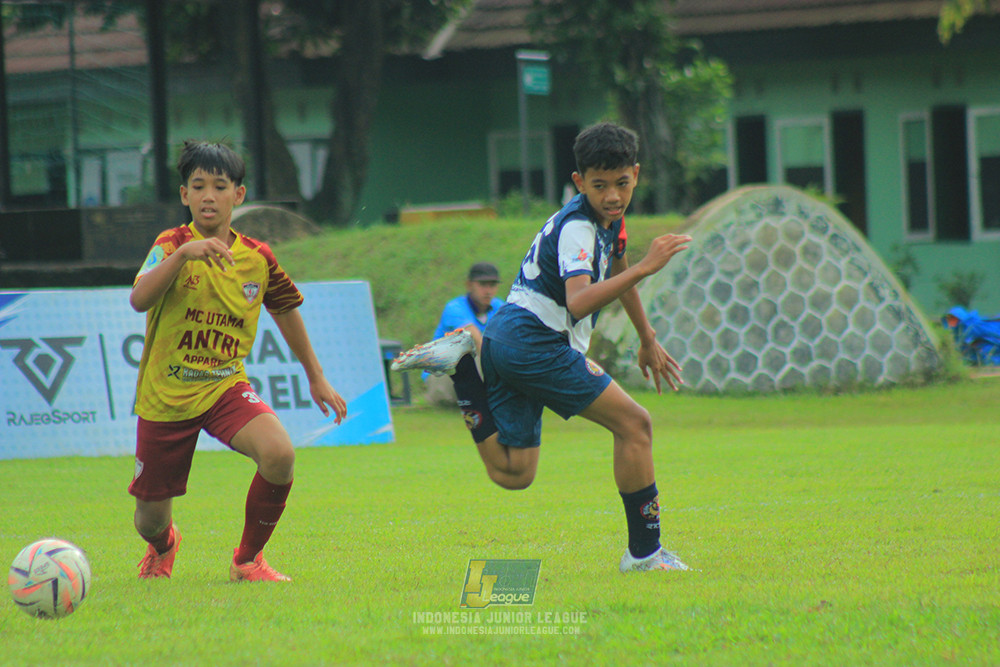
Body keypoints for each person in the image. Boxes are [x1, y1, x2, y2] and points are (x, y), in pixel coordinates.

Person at [392, 122, 693, 573]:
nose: (612, 195)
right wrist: (648, 269)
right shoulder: (578, 229)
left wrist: (647, 339)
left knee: (513, 473)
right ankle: (645, 554)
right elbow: (581, 299)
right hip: (534, 343)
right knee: (635, 424)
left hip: (506, 338)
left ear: (635, 174)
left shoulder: (609, 221)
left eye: (621, 183)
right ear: (579, 182)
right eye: (599, 186)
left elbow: (618, 265)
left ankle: (463, 372)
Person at [128, 140, 347, 582]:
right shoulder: (170, 244)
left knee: (280, 453)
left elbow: (284, 308)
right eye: (198, 186)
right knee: (148, 520)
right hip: (166, 396)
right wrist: (183, 256)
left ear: (238, 195)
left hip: (224, 385)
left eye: (220, 186)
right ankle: (165, 544)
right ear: (185, 195)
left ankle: (247, 560)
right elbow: (139, 299)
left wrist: (316, 377)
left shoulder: (258, 257)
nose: (209, 195)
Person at [423, 262, 505, 406]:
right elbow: (474, 337)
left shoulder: (500, 307)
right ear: (469, 285)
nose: (488, 290)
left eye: (492, 285)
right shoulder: (455, 308)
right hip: (442, 376)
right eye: (483, 284)